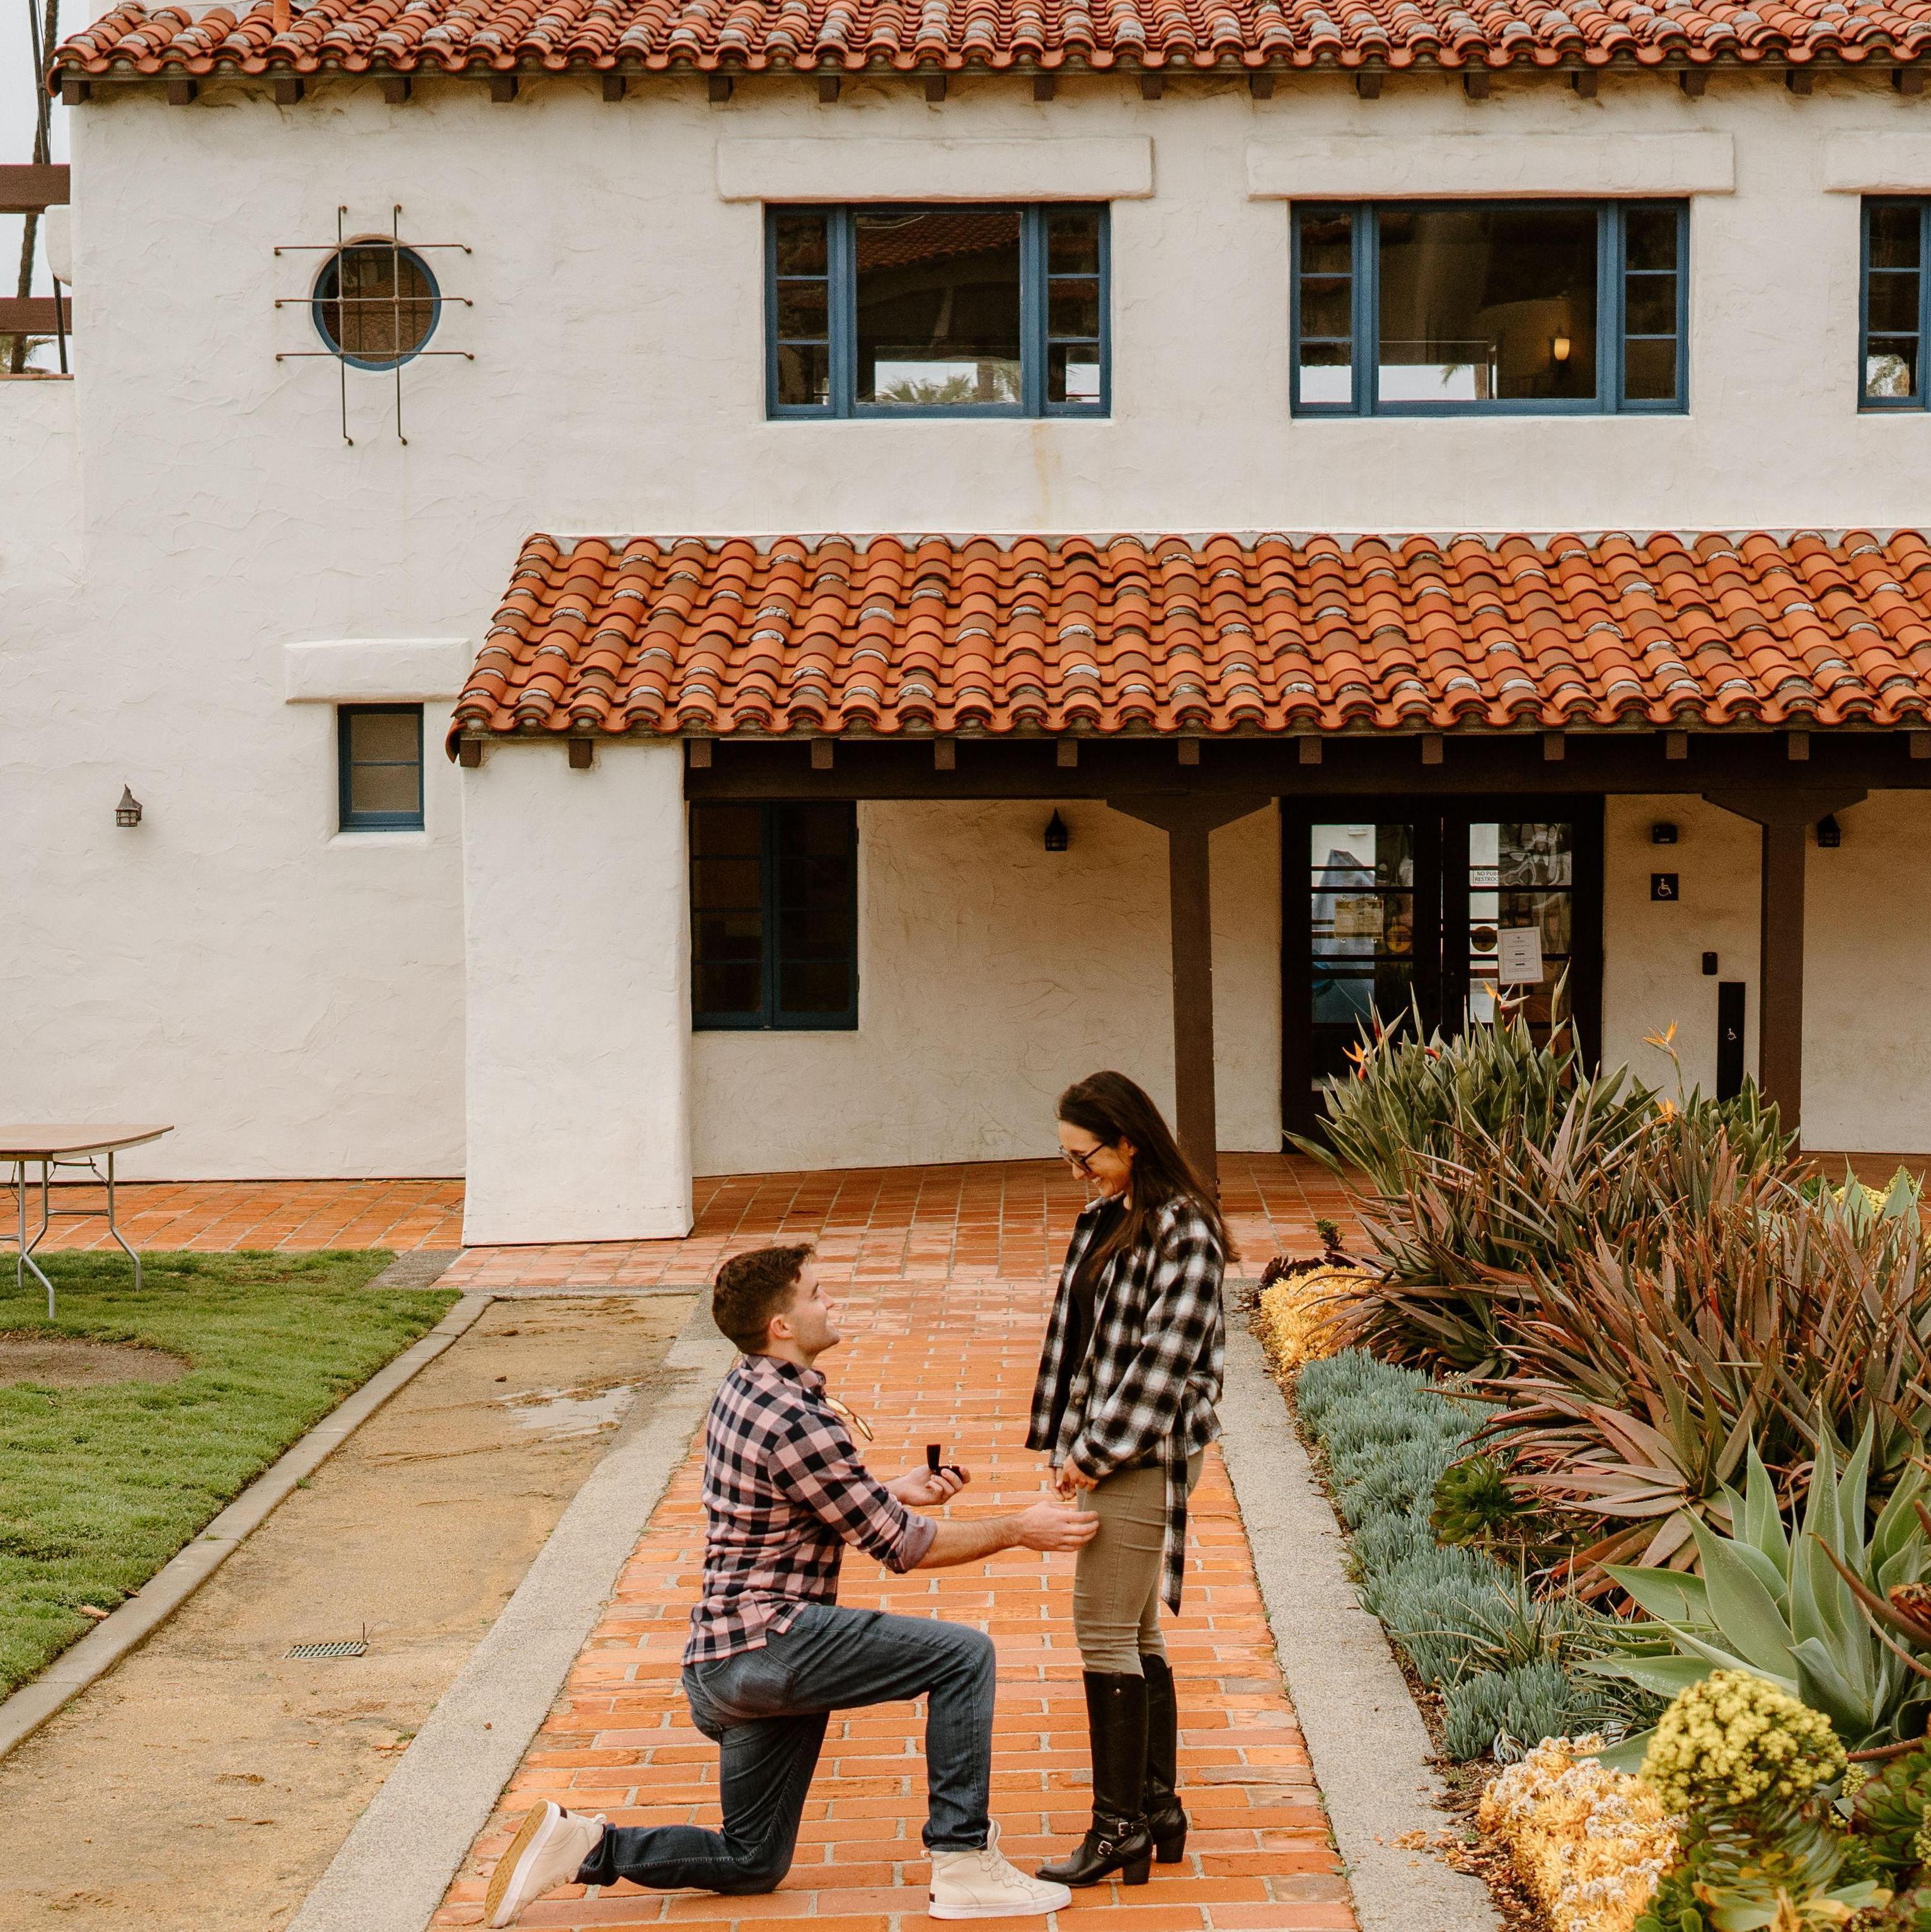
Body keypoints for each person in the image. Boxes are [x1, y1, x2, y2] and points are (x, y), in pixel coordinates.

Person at [485, 1242, 1100, 1928]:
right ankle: (962, 1862)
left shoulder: (747, 1385)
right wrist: (1019, 1527)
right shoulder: (798, 1418)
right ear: (781, 1324)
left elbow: (790, 1503)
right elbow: (902, 1546)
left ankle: (584, 1843)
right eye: (816, 1293)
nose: (830, 1301)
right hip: (769, 1645)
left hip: (723, 1660)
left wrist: (885, 1489)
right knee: (962, 1654)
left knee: (752, 1859)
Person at [1028, 1072, 1231, 1889]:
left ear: (1129, 1142)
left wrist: (1090, 1454)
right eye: (1071, 1160)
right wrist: (1064, 1438)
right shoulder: (1107, 1215)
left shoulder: (1188, 1233)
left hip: (1143, 1450)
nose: (1078, 1174)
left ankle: (1118, 1829)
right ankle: (1155, 1810)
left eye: (1087, 1158)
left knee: (1101, 1628)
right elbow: (1077, 1341)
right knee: (1136, 1629)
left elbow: (1162, 1367)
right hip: (1111, 1441)